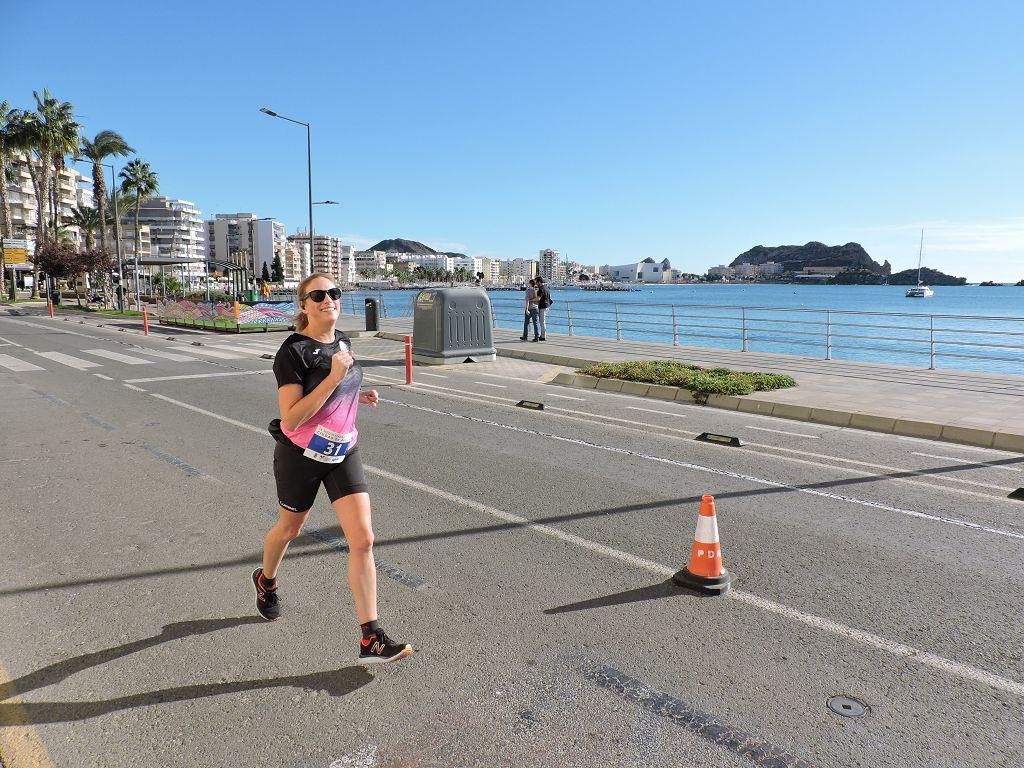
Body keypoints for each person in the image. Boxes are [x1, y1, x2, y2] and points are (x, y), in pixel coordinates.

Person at [253, 272, 412, 664]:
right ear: (303, 305)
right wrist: (334, 380)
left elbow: (338, 393)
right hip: (300, 455)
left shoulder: (343, 342)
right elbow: (291, 419)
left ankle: (370, 637)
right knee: (289, 529)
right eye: (318, 295)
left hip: (342, 451)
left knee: (363, 539)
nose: (329, 300)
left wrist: (357, 393)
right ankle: (266, 579)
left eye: (334, 293)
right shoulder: (292, 353)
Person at [534, 276, 550, 341]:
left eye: (536, 282)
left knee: (542, 322)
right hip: (547, 306)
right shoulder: (547, 288)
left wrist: (531, 300)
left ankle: (543, 336)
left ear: (539, 282)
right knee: (543, 322)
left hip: (543, 307)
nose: (536, 284)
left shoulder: (541, 289)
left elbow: (538, 298)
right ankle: (543, 335)